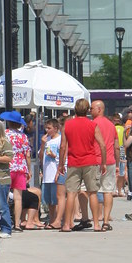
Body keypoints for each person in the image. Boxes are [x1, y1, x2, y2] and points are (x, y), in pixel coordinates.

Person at [58, 97, 107, 232]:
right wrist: (103, 162)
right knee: (92, 192)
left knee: (71, 193)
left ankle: (67, 224)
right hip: (90, 161)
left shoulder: (67, 125)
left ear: (75, 109)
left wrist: (61, 164)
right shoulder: (92, 125)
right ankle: (96, 224)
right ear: (87, 110)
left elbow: (63, 146)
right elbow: (102, 145)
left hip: (73, 162)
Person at [91, 99, 119, 230]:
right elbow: (117, 146)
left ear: (99, 109)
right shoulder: (111, 125)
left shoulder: (92, 124)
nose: (90, 111)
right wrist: (117, 163)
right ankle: (106, 221)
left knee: (93, 191)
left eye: (91, 109)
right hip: (110, 161)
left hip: (95, 161)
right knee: (108, 191)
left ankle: (96, 220)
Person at [1, 110, 30, 230]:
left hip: (7, 166)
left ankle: (5, 222)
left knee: (5, 196)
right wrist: (28, 169)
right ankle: (17, 223)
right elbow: (27, 154)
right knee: (18, 197)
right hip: (20, 167)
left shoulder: (5, 134)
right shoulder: (23, 136)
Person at [38, 118, 61, 228]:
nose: (47, 130)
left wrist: (54, 156)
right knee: (49, 201)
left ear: (56, 129)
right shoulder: (47, 140)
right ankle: (52, 219)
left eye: (49, 128)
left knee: (56, 199)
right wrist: (42, 145)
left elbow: (63, 157)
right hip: (47, 174)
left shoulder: (59, 140)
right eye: (46, 128)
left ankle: (57, 219)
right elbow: (41, 156)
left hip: (55, 172)